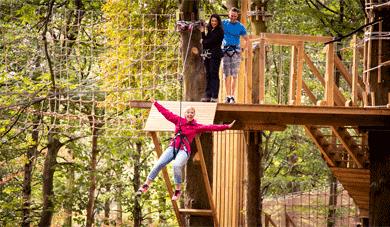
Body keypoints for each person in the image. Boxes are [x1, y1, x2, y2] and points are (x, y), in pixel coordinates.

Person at [137, 98, 236, 201]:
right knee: (159, 163)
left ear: (194, 114)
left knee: (176, 165)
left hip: (183, 150)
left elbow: (211, 127)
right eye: (188, 112)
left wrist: (226, 126)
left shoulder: (196, 126)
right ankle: (146, 185)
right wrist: (156, 103)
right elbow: (166, 113)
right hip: (173, 147)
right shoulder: (178, 120)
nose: (190, 114)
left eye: (192, 113)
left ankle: (178, 190)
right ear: (185, 114)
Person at [222, 7, 249, 104]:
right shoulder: (223, 23)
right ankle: (227, 95)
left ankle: (232, 96)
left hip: (235, 51)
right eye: (231, 15)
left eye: (235, 16)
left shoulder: (240, 26)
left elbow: (247, 39)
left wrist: (242, 49)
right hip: (225, 50)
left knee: (234, 75)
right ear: (229, 15)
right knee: (226, 75)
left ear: (237, 16)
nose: (233, 17)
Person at [200, 14, 224, 103]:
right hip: (208, 55)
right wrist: (202, 32)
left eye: (215, 21)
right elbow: (205, 40)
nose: (213, 23)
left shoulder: (219, 31)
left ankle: (214, 95)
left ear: (218, 22)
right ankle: (208, 94)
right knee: (208, 74)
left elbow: (211, 42)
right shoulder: (210, 30)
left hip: (215, 55)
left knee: (214, 74)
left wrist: (204, 41)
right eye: (212, 21)